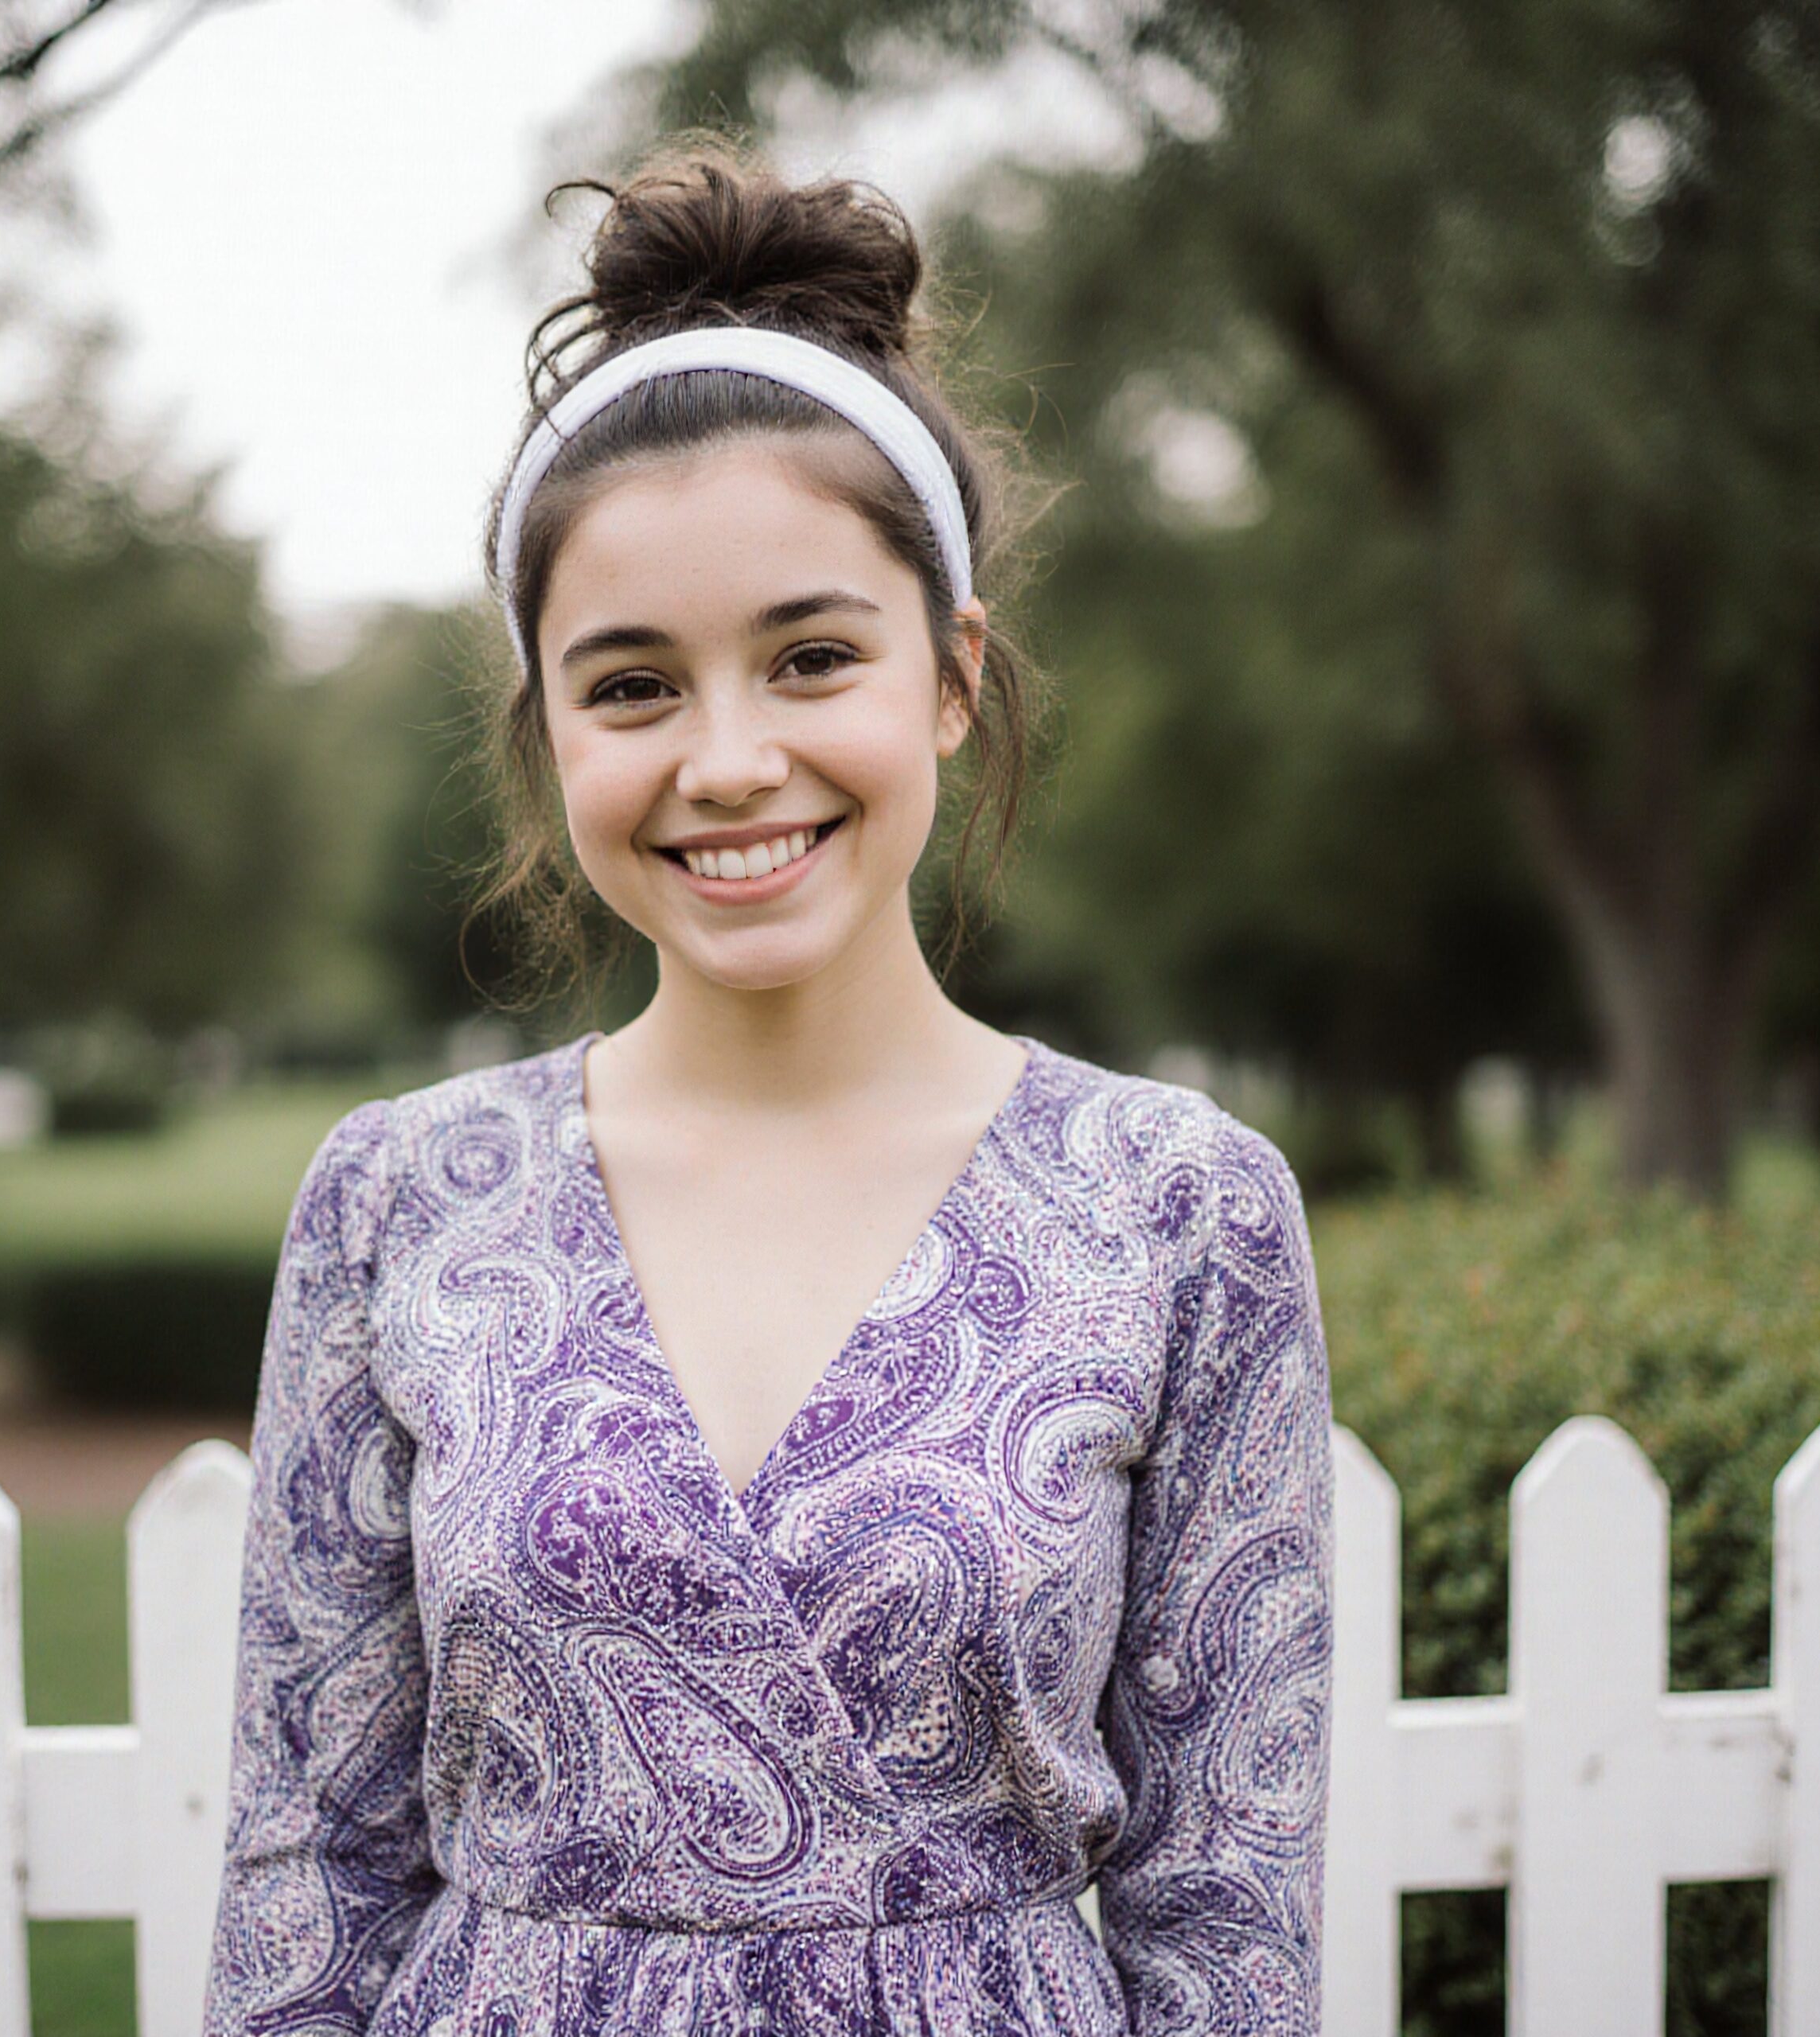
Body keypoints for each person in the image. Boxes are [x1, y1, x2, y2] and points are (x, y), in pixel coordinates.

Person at [201, 139, 1333, 2037]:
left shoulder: (1175, 1204)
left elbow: (1231, 1911)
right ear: (546, 726)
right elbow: (305, 1866)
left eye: (810, 656)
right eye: (631, 685)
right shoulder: (401, 1198)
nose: (727, 759)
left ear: (949, 678)